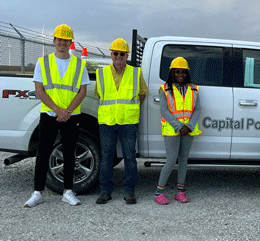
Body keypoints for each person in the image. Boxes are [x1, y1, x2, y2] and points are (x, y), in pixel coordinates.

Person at [24, 24, 89, 207]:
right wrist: (58, 110)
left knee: (69, 153)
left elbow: (82, 91)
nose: (62, 42)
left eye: (66, 40)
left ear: (70, 42)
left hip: (71, 115)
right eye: (59, 39)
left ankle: (68, 191)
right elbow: (40, 90)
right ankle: (37, 192)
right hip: (49, 114)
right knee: (43, 152)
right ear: (54, 41)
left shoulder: (79, 64)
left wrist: (66, 112)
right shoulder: (43, 62)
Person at [95, 38, 148, 204]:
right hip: (107, 120)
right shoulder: (101, 73)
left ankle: (129, 192)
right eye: (116, 53)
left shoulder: (135, 73)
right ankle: (105, 191)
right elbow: (99, 95)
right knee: (106, 157)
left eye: (122, 54)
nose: (119, 56)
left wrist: (129, 108)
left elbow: (143, 94)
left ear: (127, 56)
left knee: (130, 157)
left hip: (128, 120)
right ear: (111, 54)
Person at [154, 57, 201, 204]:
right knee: (171, 159)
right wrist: (180, 126)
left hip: (189, 130)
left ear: (187, 73)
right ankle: (159, 192)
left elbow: (197, 109)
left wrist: (189, 126)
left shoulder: (194, 89)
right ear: (172, 73)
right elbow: (164, 110)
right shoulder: (165, 89)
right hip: (173, 130)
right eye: (177, 72)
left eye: (183, 72)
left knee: (183, 160)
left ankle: (180, 191)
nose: (180, 74)